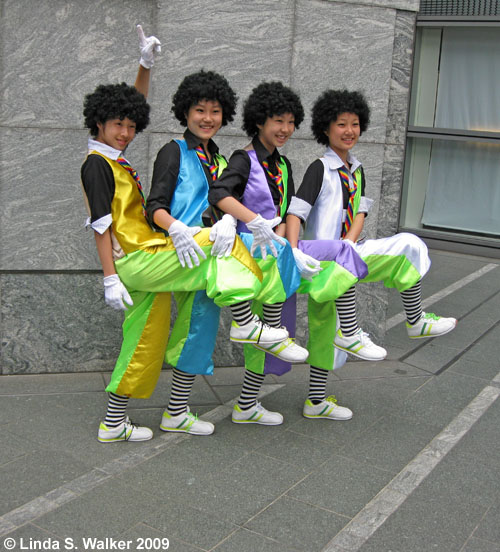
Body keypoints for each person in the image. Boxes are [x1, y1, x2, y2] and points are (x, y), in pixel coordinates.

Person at [81, 30, 285, 443]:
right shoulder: (96, 165)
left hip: (154, 255)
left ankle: (114, 422)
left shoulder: (113, 156)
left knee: (146, 341)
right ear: (97, 124)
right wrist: (109, 277)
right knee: (220, 243)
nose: (125, 132)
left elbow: (131, 110)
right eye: (116, 125)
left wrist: (145, 67)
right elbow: (102, 224)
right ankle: (248, 322)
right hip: (144, 258)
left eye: (130, 126)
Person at [145, 70, 307, 436]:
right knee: (190, 329)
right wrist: (177, 229)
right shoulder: (174, 151)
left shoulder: (217, 157)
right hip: (183, 251)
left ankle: (178, 411)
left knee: (198, 330)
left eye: (215, 112)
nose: (207, 119)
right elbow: (153, 205)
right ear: (185, 112)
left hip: (211, 257)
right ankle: (254, 326)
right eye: (200, 110)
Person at [286, 88, 457, 419]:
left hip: (347, 253)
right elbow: (296, 213)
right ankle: (319, 395)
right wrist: (293, 252)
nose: (349, 131)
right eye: (341, 124)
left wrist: (349, 243)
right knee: (325, 329)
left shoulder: (358, 170)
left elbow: (359, 213)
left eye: (354, 124)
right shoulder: (319, 169)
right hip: (318, 260)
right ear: (326, 128)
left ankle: (415, 319)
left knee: (407, 244)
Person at [208, 82, 368, 425]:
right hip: (248, 261)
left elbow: (285, 213)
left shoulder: (283, 165)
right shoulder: (242, 158)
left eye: (291, 121)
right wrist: (251, 222)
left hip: (278, 260)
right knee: (260, 337)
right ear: (260, 121)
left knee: (274, 335)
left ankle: (252, 405)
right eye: (278, 121)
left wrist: (284, 245)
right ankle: (245, 405)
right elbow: (219, 193)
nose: (285, 129)